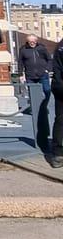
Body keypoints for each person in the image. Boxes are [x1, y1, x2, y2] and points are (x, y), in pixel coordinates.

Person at [18, 35, 52, 99]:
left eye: (34, 41)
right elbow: (20, 62)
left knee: (47, 90)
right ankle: (35, 104)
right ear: (27, 41)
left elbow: (49, 59)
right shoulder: (23, 49)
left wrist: (47, 69)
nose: (32, 43)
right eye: (30, 41)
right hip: (30, 75)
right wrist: (20, 74)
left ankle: (45, 103)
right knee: (32, 93)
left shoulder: (42, 48)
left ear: (36, 41)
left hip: (43, 74)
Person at [51, 40, 63, 168]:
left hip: (58, 85)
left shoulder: (59, 46)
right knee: (60, 120)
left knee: (60, 120)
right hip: (60, 86)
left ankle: (58, 154)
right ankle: (58, 153)